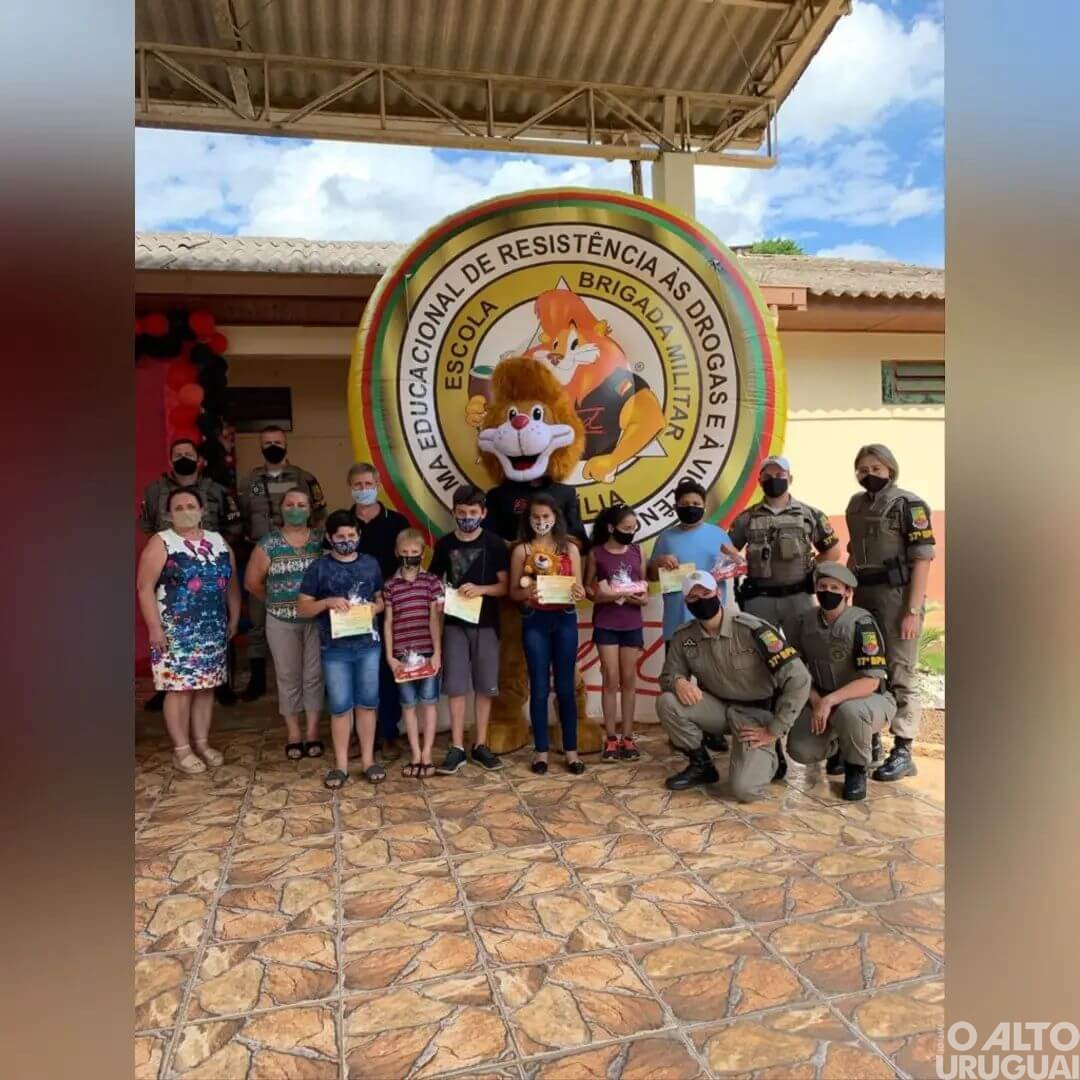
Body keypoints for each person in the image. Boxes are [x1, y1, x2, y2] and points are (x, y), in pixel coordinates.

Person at [656, 571, 811, 803]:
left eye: (706, 593)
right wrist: (678, 681)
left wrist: (774, 729)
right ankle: (702, 765)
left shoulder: (753, 630)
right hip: (718, 710)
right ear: (685, 602)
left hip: (755, 715)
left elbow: (800, 679)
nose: (701, 601)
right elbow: (668, 675)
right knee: (667, 701)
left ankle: (772, 752)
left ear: (718, 592)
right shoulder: (684, 636)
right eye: (693, 597)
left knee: (744, 791)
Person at [846, 443, 935, 783]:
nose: (870, 475)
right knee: (867, 669)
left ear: (890, 470)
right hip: (864, 595)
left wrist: (912, 610)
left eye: (876, 469)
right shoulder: (855, 505)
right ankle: (871, 740)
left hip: (898, 598)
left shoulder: (908, 505)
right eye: (863, 470)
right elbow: (854, 552)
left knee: (899, 670)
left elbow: (922, 559)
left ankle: (903, 747)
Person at [136, 488, 240, 774]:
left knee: (206, 688)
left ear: (203, 509)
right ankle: (181, 750)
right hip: (175, 631)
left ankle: (202, 742)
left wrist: (235, 617)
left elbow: (231, 584)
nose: (185, 511)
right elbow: (144, 588)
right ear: (169, 514)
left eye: (190, 505)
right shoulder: (161, 543)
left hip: (212, 629)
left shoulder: (218, 542)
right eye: (178, 507)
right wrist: (154, 628)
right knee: (179, 690)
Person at [140, 437, 242, 711]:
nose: (183, 457)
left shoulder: (216, 491)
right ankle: (169, 700)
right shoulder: (155, 491)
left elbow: (233, 525)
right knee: (175, 680)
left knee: (212, 667)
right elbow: (147, 524)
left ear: (199, 459)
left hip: (211, 576)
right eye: (177, 454)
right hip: (174, 592)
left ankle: (224, 688)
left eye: (188, 453)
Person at [785, 563, 896, 801]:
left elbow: (870, 683)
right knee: (800, 750)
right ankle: (839, 745)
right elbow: (798, 671)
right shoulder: (804, 622)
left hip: (866, 700)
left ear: (847, 592)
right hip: (823, 697)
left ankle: (856, 769)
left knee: (850, 712)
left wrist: (829, 701)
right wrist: (816, 700)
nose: (828, 592)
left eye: (835, 587)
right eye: (822, 586)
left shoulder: (862, 624)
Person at [647, 478, 740, 752]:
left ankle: (713, 730)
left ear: (705, 506)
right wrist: (659, 563)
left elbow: (735, 569)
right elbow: (651, 575)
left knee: (713, 679)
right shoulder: (666, 537)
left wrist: (735, 558)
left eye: (696, 504)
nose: (691, 508)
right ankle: (680, 732)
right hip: (676, 620)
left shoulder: (719, 535)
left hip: (712, 623)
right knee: (675, 677)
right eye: (685, 504)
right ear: (676, 506)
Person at [238, 425, 326, 702]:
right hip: (261, 555)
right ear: (260, 446)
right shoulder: (251, 480)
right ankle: (258, 679)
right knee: (257, 620)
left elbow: (321, 511)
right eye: (267, 442)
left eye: (277, 441)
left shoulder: (303, 478)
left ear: (286, 444)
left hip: (299, 554)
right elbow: (242, 513)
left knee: (305, 619)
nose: (272, 446)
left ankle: (309, 683)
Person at [297, 510, 384, 789]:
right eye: (340, 537)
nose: (346, 540)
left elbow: (382, 599)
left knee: (368, 704)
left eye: (351, 535)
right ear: (329, 538)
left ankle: (369, 761)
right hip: (334, 649)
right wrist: (327, 602)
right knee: (339, 706)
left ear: (359, 535)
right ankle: (341, 766)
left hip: (368, 646)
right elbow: (302, 607)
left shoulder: (371, 563)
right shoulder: (319, 568)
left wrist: (375, 607)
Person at [430, 485, 509, 774]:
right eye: (461, 513)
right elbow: (433, 582)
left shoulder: (496, 544)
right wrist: (440, 599)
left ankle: (480, 744)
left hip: (487, 623)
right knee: (456, 686)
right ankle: (456, 747)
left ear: (483, 513)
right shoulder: (444, 545)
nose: (467, 518)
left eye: (473, 513)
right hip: (453, 624)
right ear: (453, 512)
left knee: (485, 686)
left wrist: (481, 589)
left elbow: (505, 587)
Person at [244, 487, 325, 760]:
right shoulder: (268, 543)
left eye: (301, 504)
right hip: (280, 621)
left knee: (314, 676)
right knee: (288, 676)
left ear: (310, 508)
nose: (295, 508)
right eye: (290, 504)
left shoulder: (320, 541)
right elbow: (252, 583)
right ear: (281, 508)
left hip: (316, 620)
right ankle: (294, 734)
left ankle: (313, 732)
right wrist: (277, 601)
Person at [509, 494, 588, 775]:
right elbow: (513, 592)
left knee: (566, 689)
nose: (541, 522)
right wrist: (527, 592)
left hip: (565, 620)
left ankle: (571, 751)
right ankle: (541, 751)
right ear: (528, 520)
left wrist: (580, 592)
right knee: (539, 689)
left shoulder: (570, 549)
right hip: (535, 621)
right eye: (536, 517)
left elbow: (579, 589)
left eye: (546, 517)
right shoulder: (522, 550)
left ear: (555, 517)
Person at [728, 455, 842, 639]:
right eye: (767, 476)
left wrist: (811, 568)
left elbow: (833, 551)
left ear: (790, 479)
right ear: (760, 481)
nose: (773, 479)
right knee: (759, 655)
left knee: (805, 651)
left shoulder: (809, 514)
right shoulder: (747, 518)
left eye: (779, 474)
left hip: (798, 597)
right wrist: (739, 562)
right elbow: (727, 551)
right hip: (759, 598)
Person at [345, 462, 409, 760]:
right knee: (357, 670)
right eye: (357, 485)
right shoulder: (343, 521)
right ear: (350, 488)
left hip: (389, 606)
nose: (363, 490)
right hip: (352, 612)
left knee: (388, 668)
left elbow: (407, 563)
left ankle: (389, 732)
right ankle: (361, 734)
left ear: (378, 484)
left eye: (367, 484)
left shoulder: (396, 522)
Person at [584, 504, 647, 762]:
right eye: (626, 528)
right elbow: (588, 587)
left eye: (634, 528)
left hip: (632, 622)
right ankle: (610, 737)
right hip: (606, 623)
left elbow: (643, 586)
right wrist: (601, 594)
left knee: (629, 679)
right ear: (611, 528)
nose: (631, 532)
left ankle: (628, 736)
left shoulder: (637, 550)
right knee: (610, 678)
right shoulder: (596, 553)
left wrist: (637, 597)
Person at [383, 529, 445, 778]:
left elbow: (435, 619)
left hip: (428, 653)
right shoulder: (390, 585)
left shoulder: (432, 582)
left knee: (429, 704)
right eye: (405, 553)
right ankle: (415, 753)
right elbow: (388, 622)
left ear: (422, 554)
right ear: (397, 553)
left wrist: (437, 653)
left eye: (415, 553)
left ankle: (428, 753)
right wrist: (389, 656)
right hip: (401, 656)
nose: (409, 557)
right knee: (408, 705)